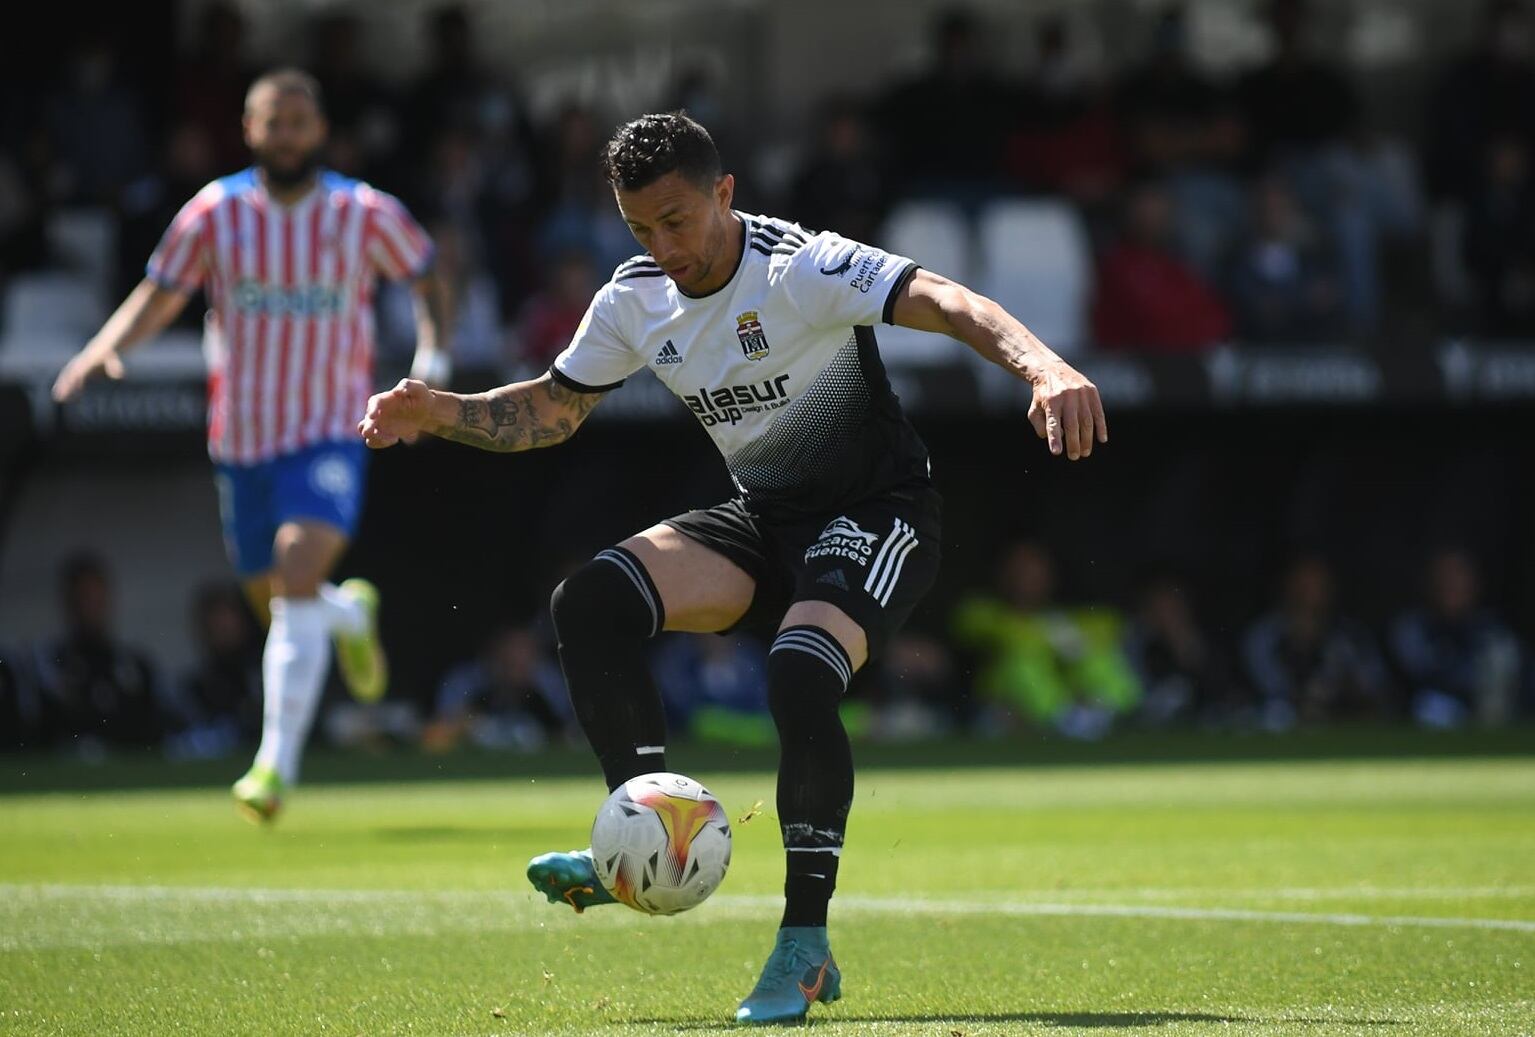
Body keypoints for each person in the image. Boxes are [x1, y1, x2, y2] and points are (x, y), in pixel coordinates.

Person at [359, 112, 1106, 1025]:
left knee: (797, 674)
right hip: (764, 521)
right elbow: (553, 411)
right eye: (640, 229)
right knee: (590, 600)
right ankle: (640, 842)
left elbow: (945, 298)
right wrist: (440, 411)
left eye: (676, 220)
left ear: (724, 193)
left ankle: (803, 943)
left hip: (876, 513)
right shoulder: (633, 298)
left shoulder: (802, 268)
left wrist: (1044, 366)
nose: (663, 246)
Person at [51, 69, 448, 822]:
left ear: (321, 130)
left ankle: (272, 767)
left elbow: (427, 274)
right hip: (243, 437)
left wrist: (433, 355)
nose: (287, 134)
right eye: (275, 121)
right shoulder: (216, 211)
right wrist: (105, 348)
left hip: (330, 427)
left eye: (300, 121)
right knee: (274, 599)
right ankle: (345, 617)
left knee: (295, 572)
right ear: (250, 128)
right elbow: (160, 290)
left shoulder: (360, 211)